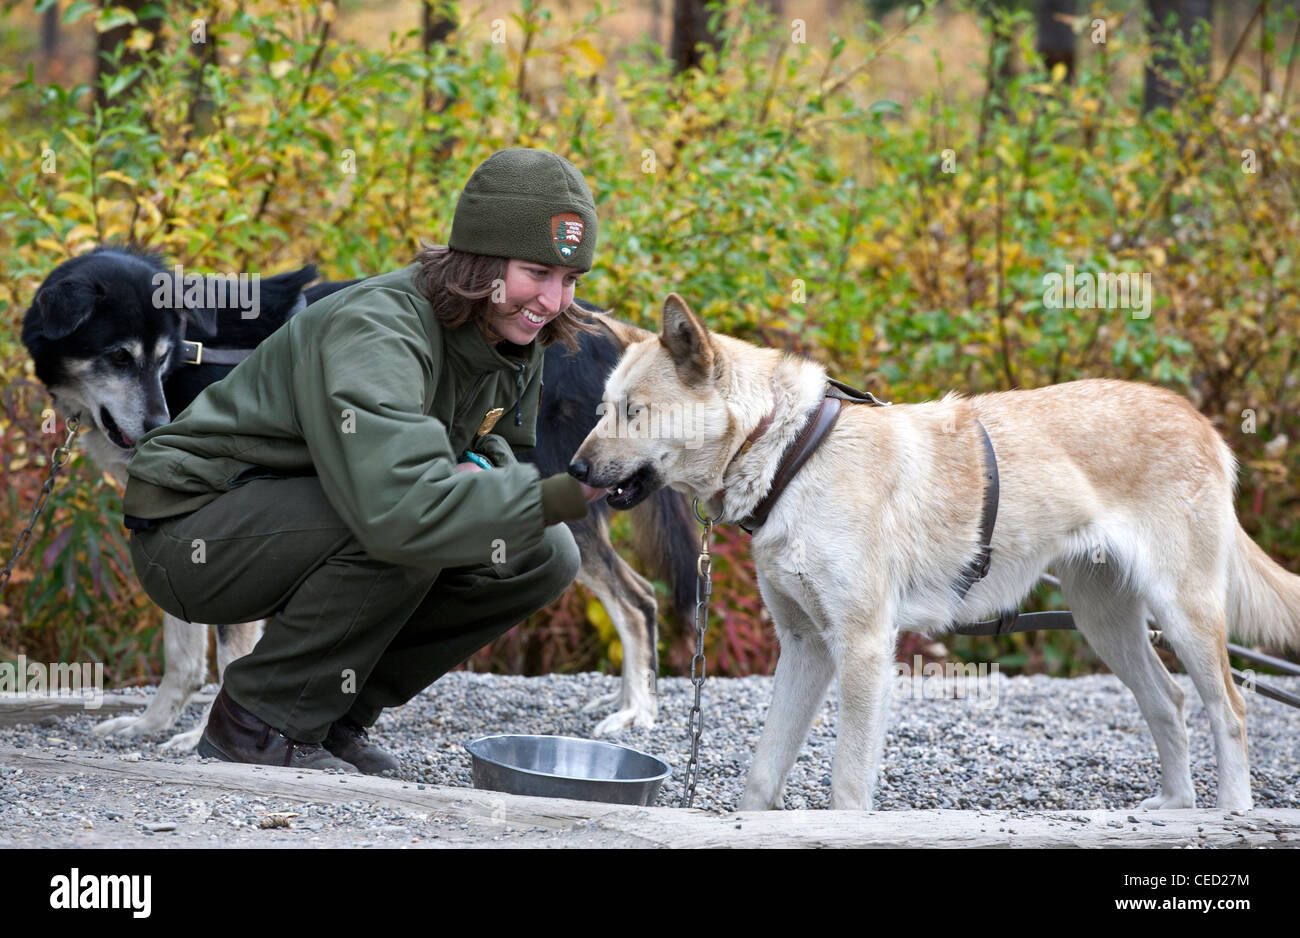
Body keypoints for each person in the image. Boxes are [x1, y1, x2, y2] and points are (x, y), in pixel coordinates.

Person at [124, 148, 605, 775]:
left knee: (542, 553)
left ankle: (325, 712)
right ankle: (256, 722)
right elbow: (398, 508)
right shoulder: (380, 325)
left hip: (302, 515)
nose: (552, 300)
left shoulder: (513, 336)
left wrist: (481, 476)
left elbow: (503, 455)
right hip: (192, 527)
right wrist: (571, 493)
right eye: (536, 272)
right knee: (412, 524)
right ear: (482, 261)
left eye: (570, 281)